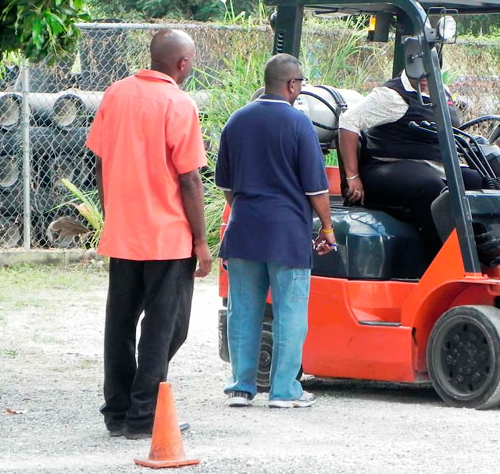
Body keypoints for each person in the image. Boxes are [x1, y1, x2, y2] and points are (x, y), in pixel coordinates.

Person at [86, 29, 212, 439]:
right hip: (168, 237)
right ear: (182, 63)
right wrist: (201, 241)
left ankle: (118, 412)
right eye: (191, 61)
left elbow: (100, 163)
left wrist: (112, 215)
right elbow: (190, 178)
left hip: (124, 233)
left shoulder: (115, 94)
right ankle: (144, 415)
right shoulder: (179, 103)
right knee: (167, 328)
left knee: (119, 324)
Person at [215, 53, 335, 409]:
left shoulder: (236, 121)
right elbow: (316, 189)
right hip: (286, 234)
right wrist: (327, 228)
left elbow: (226, 184)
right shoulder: (299, 125)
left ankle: (241, 386)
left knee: (243, 310)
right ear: (292, 84)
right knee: (289, 311)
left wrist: (246, 211)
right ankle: (284, 391)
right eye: (300, 84)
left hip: (243, 231)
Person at [337, 71, 482, 255]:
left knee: (476, 181)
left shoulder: (442, 92)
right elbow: (348, 121)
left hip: (433, 165)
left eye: (426, 74)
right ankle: (443, 258)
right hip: (385, 165)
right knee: (431, 187)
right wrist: (352, 175)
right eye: (417, 72)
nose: (422, 77)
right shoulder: (392, 95)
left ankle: (479, 250)